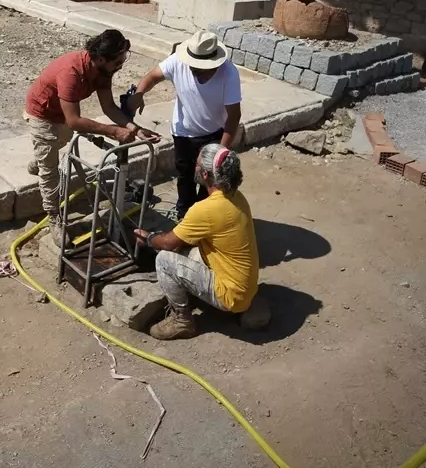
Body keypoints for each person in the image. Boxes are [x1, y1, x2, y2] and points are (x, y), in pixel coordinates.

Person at [24, 29, 156, 223]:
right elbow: (74, 121)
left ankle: (41, 159)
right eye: (118, 62)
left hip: (61, 114)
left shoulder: (104, 71)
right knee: (50, 171)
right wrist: (114, 131)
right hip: (42, 115)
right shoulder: (71, 72)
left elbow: (109, 107)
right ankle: (54, 217)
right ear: (102, 58)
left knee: (56, 143)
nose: (120, 67)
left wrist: (135, 129)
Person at [134, 145, 260, 340]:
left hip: (231, 296)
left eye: (198, 164)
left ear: (206, 174)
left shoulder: (205, 210)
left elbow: (167, 243)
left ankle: (182, 321)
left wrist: (148, 238)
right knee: (187, 248)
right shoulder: (237, 196)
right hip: (245, 287)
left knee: (165, 260)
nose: (195, 167)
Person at [127, 29, 241, 220]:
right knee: (185, 177)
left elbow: (234, 115)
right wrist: (139, 94)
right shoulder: (178, 62)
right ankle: (184, 216)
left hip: (213, 135)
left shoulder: (229, 74)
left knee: (210, 181)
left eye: (201, 68)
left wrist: (221, 150)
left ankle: (203, 217)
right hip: (183, 134)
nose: (195, 71)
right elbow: (152, 76)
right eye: (193, 67)